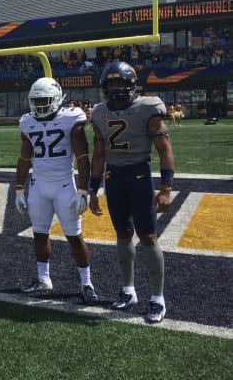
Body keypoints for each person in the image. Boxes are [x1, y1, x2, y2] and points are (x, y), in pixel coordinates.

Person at [89, 61, 175, 324]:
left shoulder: (147, 108)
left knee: (148, 236)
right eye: (111, 83)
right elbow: (99, 154)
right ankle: (128, 291)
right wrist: (93, 190)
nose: (115, 88)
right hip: (114, 178)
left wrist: (166, 187)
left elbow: (165, 149)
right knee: (122, 234)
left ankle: (157, 298)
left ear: (131, 85)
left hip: (139, 175)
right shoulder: (99, 112)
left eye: (119, 83)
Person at [15, 77, 98, 303]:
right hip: (39, 186)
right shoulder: (27, 122)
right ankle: (43, 278)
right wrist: (19, 188)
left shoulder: (71, 118)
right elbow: (24, 157)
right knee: (39, 234)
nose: (40, 104)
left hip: (64, 186)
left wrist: (83, 189)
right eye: (36, 100)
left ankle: (86, 282)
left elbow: (82, 157)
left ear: (57, 99)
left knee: (74, 236)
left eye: (45, 100)